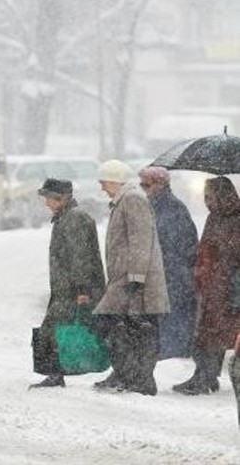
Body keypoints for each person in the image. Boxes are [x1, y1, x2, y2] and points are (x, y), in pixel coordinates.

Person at [93, 159, 170, 396]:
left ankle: (138, 378)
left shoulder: (133, 199)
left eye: (104, 182)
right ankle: (129, 375)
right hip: (126, 280)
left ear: (115, 180)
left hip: (134, 282)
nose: (102, 188)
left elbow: (140, 241)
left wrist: (136, 278)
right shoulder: (125, 200)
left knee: (126, 328)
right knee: (126, 329)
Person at [30, 178, 105, 389]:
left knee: (54, 329)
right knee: (53, 328)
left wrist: (82, 289)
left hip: (72, 289)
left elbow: (80, 256)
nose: (46, 203)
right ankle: (55, 373)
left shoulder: (74, 219)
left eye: (48, 198)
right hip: (66, 287)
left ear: (61, 198)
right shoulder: (66, 217)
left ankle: (56, 374)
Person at [173, 176, 240, 395]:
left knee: (218, 333)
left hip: (227, 287)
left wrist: (217, 257)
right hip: (211, 285)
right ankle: (204, 375)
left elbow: (231, 252)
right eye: (205, 197)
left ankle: (206, 376)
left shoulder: (235, 218)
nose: (207, 201)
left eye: (210, 196)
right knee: (207, 333)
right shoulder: (214, 217)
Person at [138, 166, 199, 359]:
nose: (144, 189)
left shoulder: (174, 209)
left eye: (147, 185)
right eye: (141, 185)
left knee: (174, 321)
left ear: (161, 185)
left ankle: (173, 358)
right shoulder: (152, 206)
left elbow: (180, 246)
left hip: (174, 277)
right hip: (162, 276)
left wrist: (167, 267)